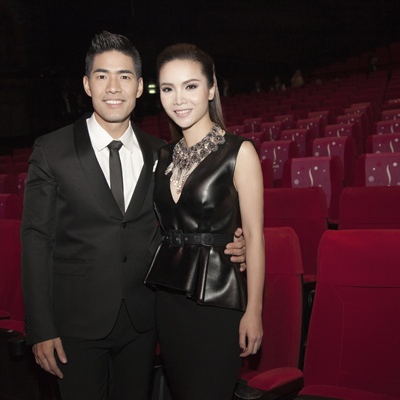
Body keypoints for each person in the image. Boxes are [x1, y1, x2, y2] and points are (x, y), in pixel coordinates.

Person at [20, 31, 246, 400]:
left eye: (124, 76)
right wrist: (40, 327)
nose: (113, 87)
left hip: (144, 319)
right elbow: (35, 240)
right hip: (76, 322)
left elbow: (186, 222)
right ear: (87, 84)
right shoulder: (52, 150)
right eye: (102, 76)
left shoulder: (162, 153)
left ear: (140, 87)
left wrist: (236, 243)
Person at [144, 43, 265, 399]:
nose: (178, 99)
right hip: (169, 301)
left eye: (191, 86)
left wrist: (254, 311)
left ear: (211, 89)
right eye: (168, 89)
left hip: (218, 299)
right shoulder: (162, 157)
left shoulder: (239, 152)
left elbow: (254, 237)